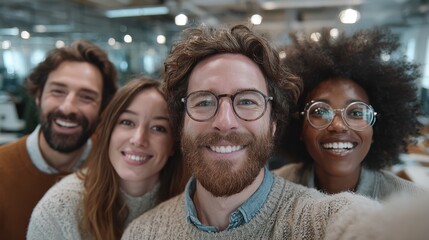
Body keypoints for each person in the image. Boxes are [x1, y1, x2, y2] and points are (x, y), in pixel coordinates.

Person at [122, 24, 378, 239]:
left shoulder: (320, 222)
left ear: (273, 123)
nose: (224, 121)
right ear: (181, 125)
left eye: (246, 101)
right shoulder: (143, 233)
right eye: (204, 102)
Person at [26, 77, 189, 239]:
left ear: (174, 145)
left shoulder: (193, 205)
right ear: (108, 132)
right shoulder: (57, 209)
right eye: (127, 122)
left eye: (158, 128)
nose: (138, 140)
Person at [273, 27, 424, 200]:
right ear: (299, 126)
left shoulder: (413, 205)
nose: (338, 125)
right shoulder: (271, 194)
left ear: (376, 128)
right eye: (320, 111)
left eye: (356, 113)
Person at [0, 40, 118, 239]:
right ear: (38, 96)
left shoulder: (117, 162)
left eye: (87, 97)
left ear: (102, 109)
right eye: (58, 91)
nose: (68, 108)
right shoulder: (3, 169)